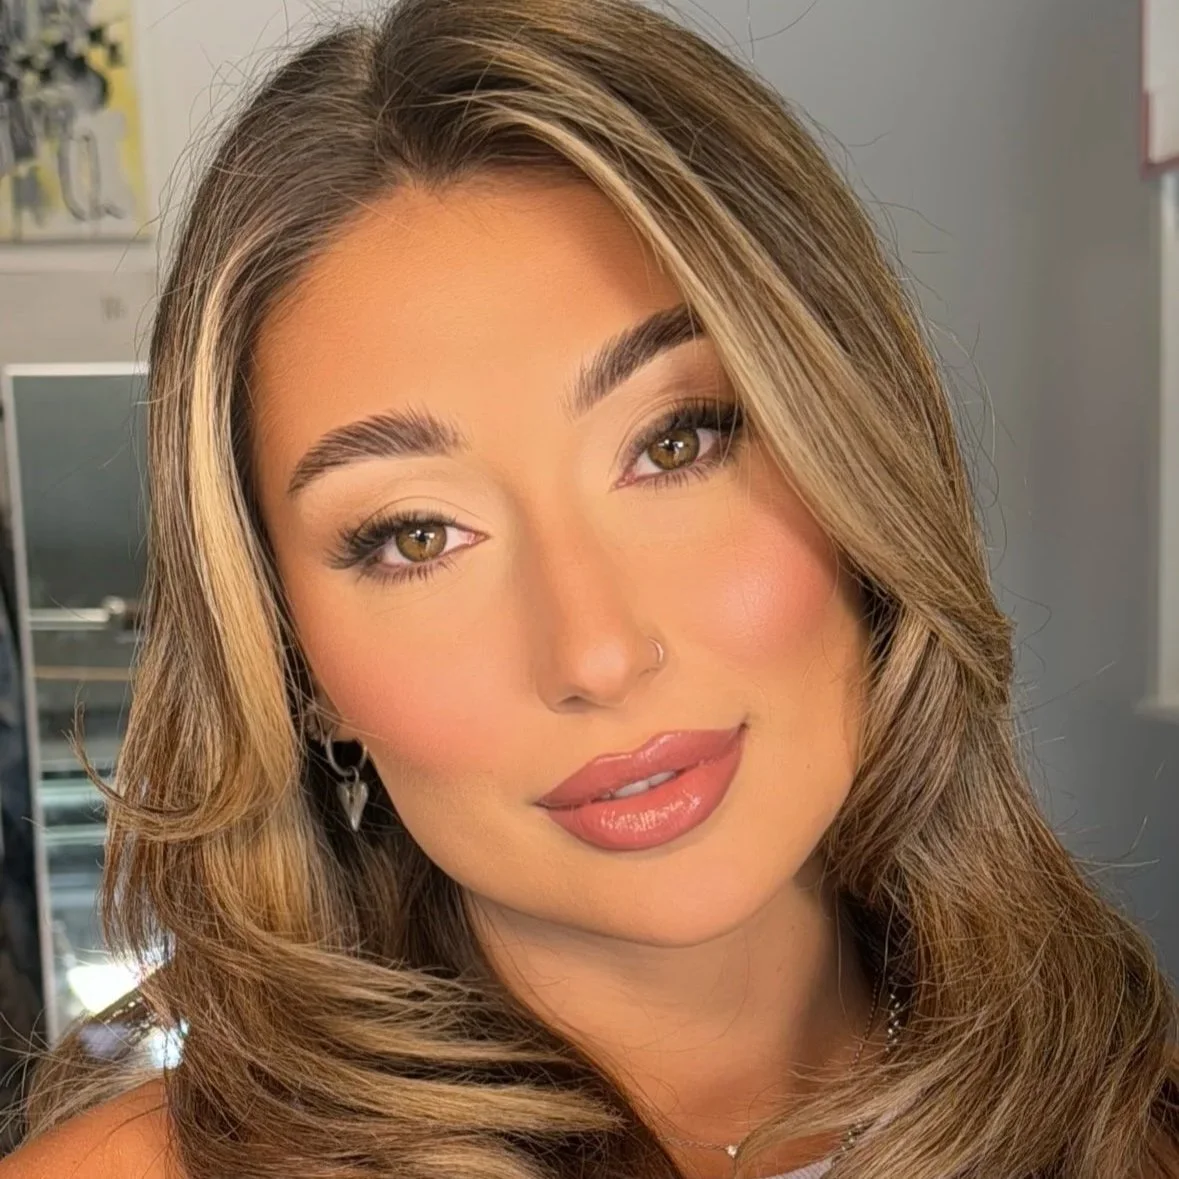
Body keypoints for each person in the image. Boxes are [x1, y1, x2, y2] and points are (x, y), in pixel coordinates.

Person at [2, 0, 1177, 1176]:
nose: (596, 652)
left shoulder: (1131, 1115)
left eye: (677, 444)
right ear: (296, 665)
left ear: (858, 453)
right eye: (416, 536)